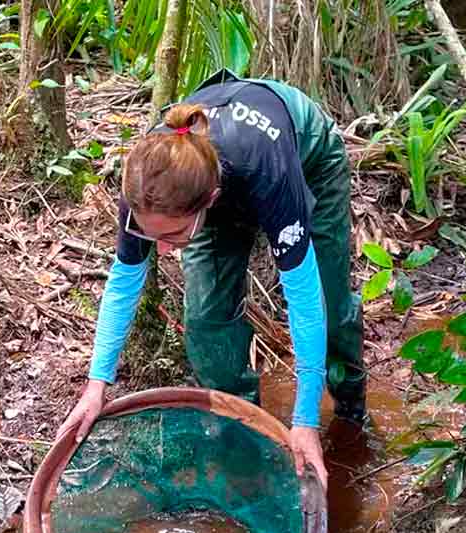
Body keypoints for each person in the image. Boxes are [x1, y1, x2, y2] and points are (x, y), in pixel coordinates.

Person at [57, 69, 366, 487]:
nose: (162, 250)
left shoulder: (264, 168)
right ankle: (244, 437)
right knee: (205, 320)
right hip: (207, 183)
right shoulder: (144, 184)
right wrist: (96, 385)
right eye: (152, 236)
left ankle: (350, 407)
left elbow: (305, 298)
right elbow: (125, 279)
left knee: (328, 303)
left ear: (211, 203)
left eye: (171, 237)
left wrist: (306, 420)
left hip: (307, 161)